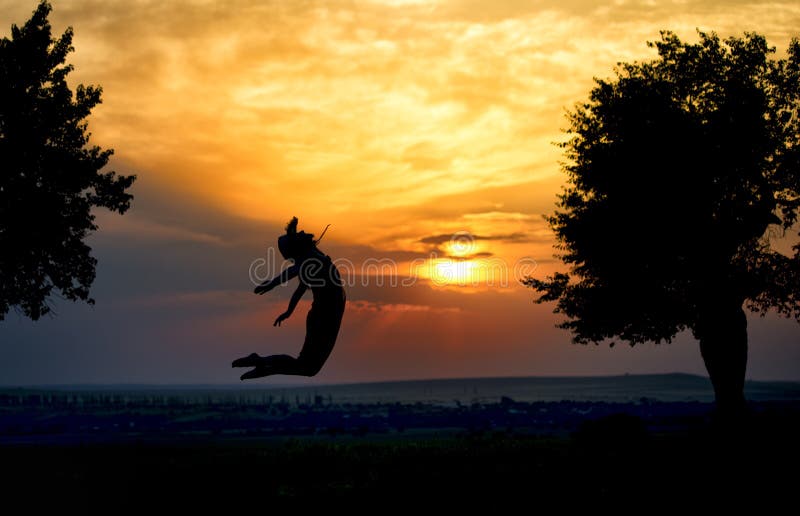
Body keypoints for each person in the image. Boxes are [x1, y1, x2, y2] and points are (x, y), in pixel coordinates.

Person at [233, 217, 346, 380]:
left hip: (327, 316)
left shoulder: (314, 260)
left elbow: (300, 289)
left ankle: (263, 364)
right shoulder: (311, 260)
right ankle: (263, 365)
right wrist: (272, 283)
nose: (303, 232)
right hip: (324, 317)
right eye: (298, 234)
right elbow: (292, 272)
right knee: (308, 367)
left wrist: (289, 311)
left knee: (306, 366)